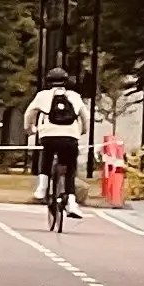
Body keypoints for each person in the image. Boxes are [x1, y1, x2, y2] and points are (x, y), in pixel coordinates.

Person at [29, 72, 94, 223]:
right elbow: (85, 116)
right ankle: (71, 201)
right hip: (70, 137)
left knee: (47, 154)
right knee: (70, 167)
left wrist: (30, 128)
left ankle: (42, 187)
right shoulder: (74, 96)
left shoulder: (42, 95)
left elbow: (29, 113)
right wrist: (82, 131)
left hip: (48, 136)